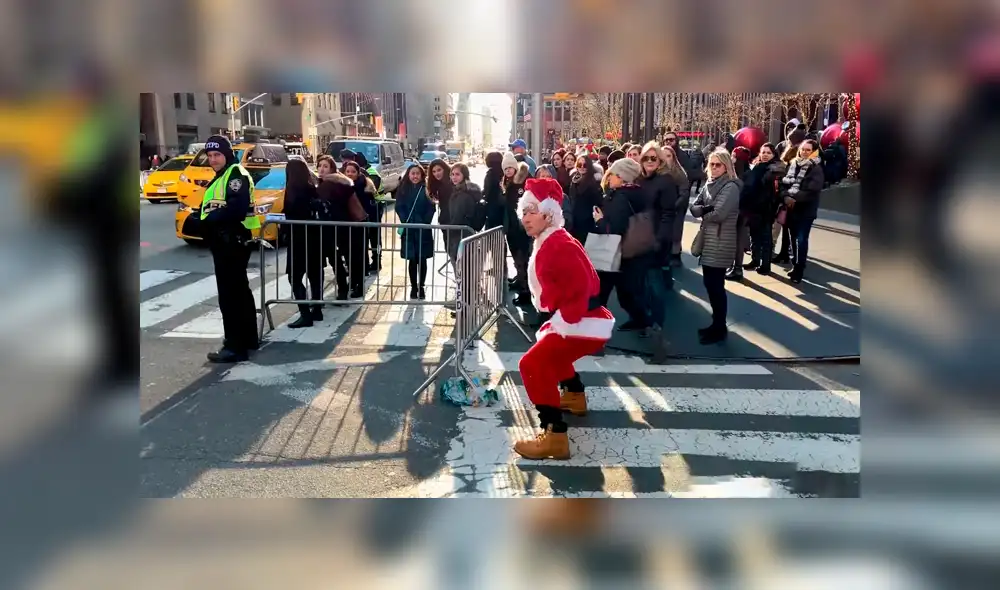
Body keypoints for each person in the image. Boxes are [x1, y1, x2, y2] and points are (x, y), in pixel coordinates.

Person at [512, 177, 615, 460]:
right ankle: (573, 394)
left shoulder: (557, 242)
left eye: (532, 211)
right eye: (523, 211)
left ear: (549, 213)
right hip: (580, 317)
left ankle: (554, 433)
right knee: (554, 355)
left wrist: (564, 320)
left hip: (582, 319)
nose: (526, 218)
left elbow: (584, 282)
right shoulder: (549, 238)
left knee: (531, 364)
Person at [181, 135, 259, 363]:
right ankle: (247, 340)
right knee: (240, 293)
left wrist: (204, 222)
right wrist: (200, 216)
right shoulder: (223, 176)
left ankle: (235, 346)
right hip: (227, 240)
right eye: (210, 155)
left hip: (231, 241)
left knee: (230, 296)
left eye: (217, 155)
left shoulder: (235, 174)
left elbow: (236, 209)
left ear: (227, 155)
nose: (213, 159)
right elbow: (220, 205)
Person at [593, 157, 651, 332]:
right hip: (630, 251)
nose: (609, 178)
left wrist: (600, 219)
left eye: (612, 174)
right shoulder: (637, 193)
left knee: (601, 292)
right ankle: (641, 320)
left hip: (614, 250)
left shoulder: (621, 197)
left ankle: (595, 328)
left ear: (622, 177)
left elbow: (614, 228)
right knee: (626, 293)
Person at [690, 150, 741, 345]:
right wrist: (704, 210)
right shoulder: (709, 184)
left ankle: (719, 327)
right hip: (709, 239)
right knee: (710, 285)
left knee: (716, 286)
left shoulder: (730, 187)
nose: (713, 168)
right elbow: (695, 206)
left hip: (721, 240)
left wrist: (703, 212)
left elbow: (719, 214)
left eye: (718, 165)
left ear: (727, 166)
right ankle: (716, 324)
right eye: (711, 164)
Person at [283, 159, 324, 328]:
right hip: (314, 237)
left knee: (294, 276)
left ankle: (305, 314)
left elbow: (291, 213)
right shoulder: (311, 189)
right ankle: (317, 310)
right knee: (315, 274)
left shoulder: (292, 190)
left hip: (299, 238)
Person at [780, 139, 824, 283]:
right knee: (793, 239)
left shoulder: (816, 168)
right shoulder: (793, 164)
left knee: (801, 239)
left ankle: (800, 268)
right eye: (803, 149)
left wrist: (794, 198)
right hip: (791, 209)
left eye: (808, 150)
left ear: (813, 152)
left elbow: (813, 190)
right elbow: (783, 184)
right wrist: (786, 197)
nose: (804, 152)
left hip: (806, 210)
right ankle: (795, 265)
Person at [395, 162, 435, 300]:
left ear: (422, 175)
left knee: (422, 259)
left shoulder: (426, 188)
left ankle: (422, 286)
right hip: (409, 228)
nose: (415, 176)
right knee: (412, 260)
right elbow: (399, 206)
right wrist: (405, 220)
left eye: (418, 173)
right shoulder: (403, 189)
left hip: (423, 228)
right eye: (413, 173)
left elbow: (431, 207)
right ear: (408, 174)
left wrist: (425, 222)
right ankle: (413, 287)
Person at [501, 152, 532, 305]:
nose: (508, 171)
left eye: (510, 168)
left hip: (521, 228)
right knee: (517, 260)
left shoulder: (522, 183)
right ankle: (521, 283)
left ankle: (525, 292)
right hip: (512, 227)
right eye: (505, 169)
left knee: (523, 261)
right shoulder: (508, 183)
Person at [340, 161, 375, 297]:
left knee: (358, 257)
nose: (350, 174)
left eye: (353, 171)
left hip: (360, 226)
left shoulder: (364, 186)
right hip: (346, 226)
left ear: (358, 173)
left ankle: (359, 286)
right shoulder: (343, 186)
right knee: (349, 257)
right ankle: (353, 283)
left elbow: (369, 208)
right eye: (347, 171)